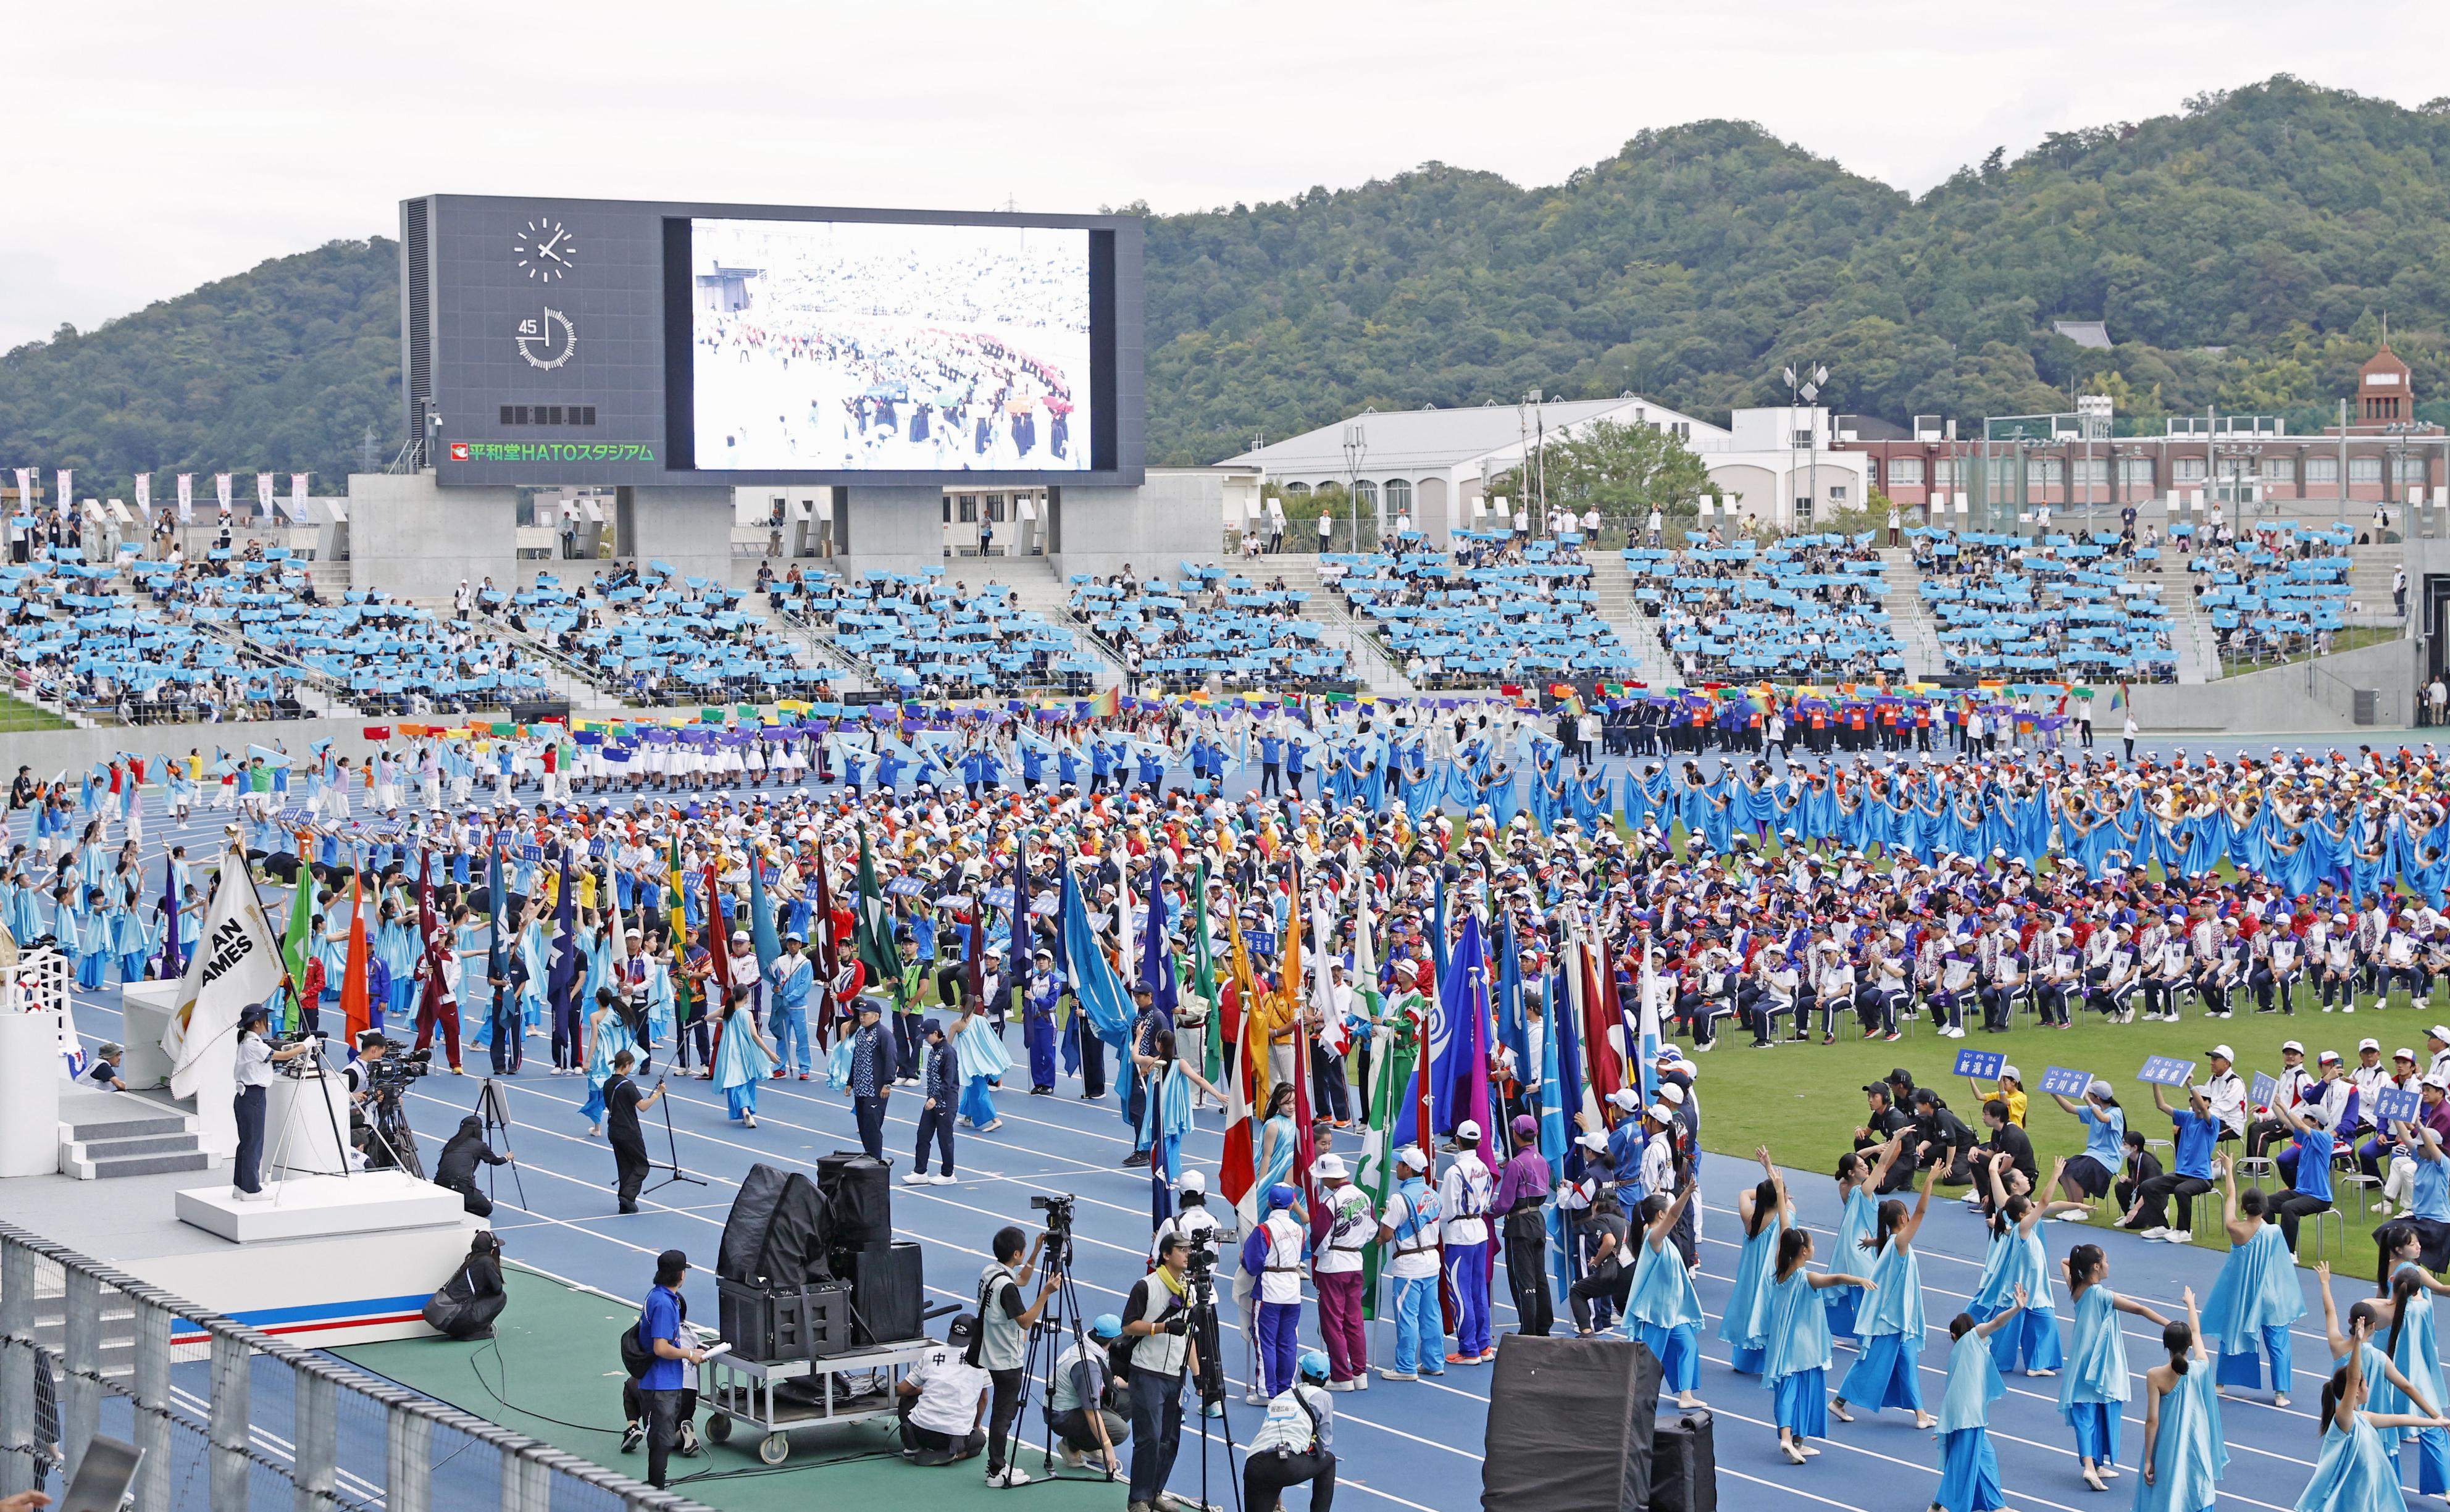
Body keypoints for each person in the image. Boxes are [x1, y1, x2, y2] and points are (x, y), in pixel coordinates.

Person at [2059, 1241, 2170, 1492]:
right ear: (2096, 1266)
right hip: (2098, 1362)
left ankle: (2094, 1465)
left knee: (2089, 1412)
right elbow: (2140, 1309)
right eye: (2105, 1261)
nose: (2109, 1265)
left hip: (2081, 1358)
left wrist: (2077, 1262)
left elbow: (2065, 1263)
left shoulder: (2076, 1288)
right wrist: (2168, 1323)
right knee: (2093, 1411)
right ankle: (2089, 1466)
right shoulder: (2101, 1295)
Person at [1833, 1160, 1936, 1428]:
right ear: (1903, 1219)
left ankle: (1921, 1414)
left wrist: (1871, 1241)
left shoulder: (1892, 1242)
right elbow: (1922, 1211)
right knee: (1869, 1362)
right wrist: (1930, 1181)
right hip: (1890, 1319)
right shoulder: (1899, 1242)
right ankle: (1839, 1401)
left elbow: (1888, 1240)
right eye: (1907, 1214)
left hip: (1896, 1317)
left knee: (1908, 1362)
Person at [1761, 1224, 1873, 1466]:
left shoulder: (1780, 1273)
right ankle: (1795, 1440)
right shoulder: (1806, 1277)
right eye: (1812, 1245)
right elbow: (1835, 1279)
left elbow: (1785, 1230)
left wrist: (1780, 1195)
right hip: (1807, 1346)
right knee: (1811, 1391)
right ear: (1803, 1251)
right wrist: (1859, 1279)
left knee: (1787, 1392)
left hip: (1784, 1345)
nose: (1814, 1248)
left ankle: (1788, 1438)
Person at [2199, 1154, 2307, 1404]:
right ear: (2266, 1209)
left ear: (2243, 1209)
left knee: (2233, 1333)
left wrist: (2228, 1169)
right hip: (2269, 1294)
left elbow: (2230, 1198)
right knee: (2278, 1340)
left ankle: (2220, 1383)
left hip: (2242, 1293)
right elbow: (2281, 1265)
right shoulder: (2274, 1231)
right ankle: (2280, 1394)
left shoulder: (2235, 1230)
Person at [2296, 1347, 2450, 1512]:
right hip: (2353, 1495)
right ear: (2355, 1391)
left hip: (2367, 1490)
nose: (2368, 1388)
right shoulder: (2344, 1420)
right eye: (2366, 1384)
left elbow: (2401, 1419)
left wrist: (2438, 1422)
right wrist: (2357, 1343)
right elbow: (2354, 1379)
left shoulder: (2364, 1418)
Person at [1969, 1156, 2083, 1376]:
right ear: (2022, 1215)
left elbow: (2043, 1206)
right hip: (2018, 1288)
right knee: (2006, 1327)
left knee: (2045, 1323)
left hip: (2035, 1287)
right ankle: (1992, 1357)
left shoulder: (2017, 1229)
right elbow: (2043, 1203)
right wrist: (2055, 1176)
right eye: (2029, 1208)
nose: (2033, 1208)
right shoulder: (2023, 1228)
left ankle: (2037, 1365)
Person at [1930, 1286, 2026, 1512]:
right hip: (1969, 1416)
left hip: (1966, 1415)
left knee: (1984, 1458)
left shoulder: (1960, 1352)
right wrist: (2017, 1308)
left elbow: (1951, 1389)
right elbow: (1997, 1323)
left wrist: (1944, 1422)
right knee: (1963, 1462)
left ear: (1953, 1335)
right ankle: (1940, 1505)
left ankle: (1995, 1505)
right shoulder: (1974, 1338)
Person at [1122, 1232, 1199, 1512]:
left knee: (1170, 1440)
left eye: (1189, 1249)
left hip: (1175, 1375)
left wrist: (1198, 1374)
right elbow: (1128, 1326)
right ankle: (1138, 1499)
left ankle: (1155, 1493)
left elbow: (1188, 1334)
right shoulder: (1146, 1286)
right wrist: (1162, 1328)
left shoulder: (1188, 1288)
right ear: (1166, 1255)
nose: (1188, 1254)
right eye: (1182, 1250)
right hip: (1147, 1371)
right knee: (1150, 1438)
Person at [975, 1226, 1053, 1487]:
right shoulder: (1006, 1289)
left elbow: (1021, 1279)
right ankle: (997, 1470)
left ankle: (997, 1466)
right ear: (1015, 1253)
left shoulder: (991, 1272)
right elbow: (1025, 1322)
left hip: (991, 1351)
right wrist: (1046, 1294)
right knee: (1003, 1415)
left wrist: (1035, 1252)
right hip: (1006, 1359)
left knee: (1001, 1413)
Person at [2133, 1288, 2224, 1512]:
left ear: (2165, 1346)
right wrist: (2191, 1304)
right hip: (2196, 1444)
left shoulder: (2155, 1376)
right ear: (2189, 1345)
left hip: (2166, 1446)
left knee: (2166, 1495)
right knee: (2197, 1491)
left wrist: (2148, 1459)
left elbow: (2152, 1421)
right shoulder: (2201, 1368)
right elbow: (2197, 1331)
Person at [1627, 1180, 1706, 1410]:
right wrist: (1687, 1193)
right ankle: (1634, 1393)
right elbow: (1672, 1215)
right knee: (1650, 1356)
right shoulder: (1654, 1237)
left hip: (1674, 1310)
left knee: (1688, 1346)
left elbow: (1663, 1211)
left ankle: (1686, 1395)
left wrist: (1658, 1192)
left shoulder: (1656, 1234)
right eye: (1667, 1209)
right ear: (1661, 1215)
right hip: (1658, 1310)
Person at [633, 1248, 707, 1489]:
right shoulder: (664, 1303)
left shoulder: (659, 1296)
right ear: (681, 1275)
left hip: (664, 1381)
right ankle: (657, 1490)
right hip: (660, 1383)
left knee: (663, 1440)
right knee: (661, 1441)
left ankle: (657, 1486)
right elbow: (661, 1348)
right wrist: (690, 1354)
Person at [1374, 1145, 1445, 1381]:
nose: (1396, 1167)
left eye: (1400, 1164)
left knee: (1407, 1316)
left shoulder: (1399, 1198)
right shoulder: (1434, 1194)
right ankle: (1434, 1361)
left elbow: (1385, 1235)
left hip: (1409, 1265)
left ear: (1408, 1169)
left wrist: (1380, 1232)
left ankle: (1406, 1367)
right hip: (1431, 1262)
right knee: (1431, 1315)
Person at [231, 1004, 315, 1200]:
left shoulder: (248, 1042)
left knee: (246, 1142)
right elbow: (284, 1056)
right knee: (254, 1143)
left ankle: (241, 1184)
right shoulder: (254, 1045)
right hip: (253, 1096)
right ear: (258, 1023)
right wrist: (306, 1045)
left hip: (247, 1096)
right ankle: (251, 1189)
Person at [1718, 1147, 1791, 1372]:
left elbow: (1744, 1194)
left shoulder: (1750, 1217)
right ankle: (1771, 1363)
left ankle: (1745, 1363)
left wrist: (1768, 1178)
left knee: (1750, 1313)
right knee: (1771, 1318)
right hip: (1773, 1274)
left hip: (1750, 1276)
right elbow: (1786, 1205)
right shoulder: (1786, 1216)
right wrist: (1775, 1183)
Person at [2125, 1081, 2220, 1242]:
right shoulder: (2186, 1118)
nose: (2198, 1102)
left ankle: (2184, 1231)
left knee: (2181, 1191)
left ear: (2209, 1103)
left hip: (2202, 1178)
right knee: (2148, 1186)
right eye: (2194, 1099)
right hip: (2181, 1174)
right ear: (2190, 1102)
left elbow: (2203, 1110)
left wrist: (2190, 1084)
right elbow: (2161, 1105)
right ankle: (2161, 1226)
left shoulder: (2212, 1122)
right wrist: (2155, 1082)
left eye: (2204, 1099)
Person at [1245, 1348, 1336, 1512]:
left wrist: (1277, 1485)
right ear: (1328, 1378)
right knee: (1328, 1461)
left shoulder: (1280, 1398)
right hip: (1286, 1464)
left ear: (1302, 1374)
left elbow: (1272, 1438)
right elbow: (1323, 1444)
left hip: (1254, 1465)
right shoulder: (1323, 1397)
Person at [1244, 1183, 1310, 1398]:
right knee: (1289, 1341)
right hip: (1292, 1290)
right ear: (1291, 1205)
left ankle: (1266, 1389)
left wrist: (1243, 1259)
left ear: (1270, 1204)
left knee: (1266, 1342)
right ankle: (1286, 1386)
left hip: (1270, 1290)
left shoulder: (1264, 1230)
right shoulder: (1300, 1230)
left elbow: (1253, 1265)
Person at [1311, 1153, 1371, 1389]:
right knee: (1354, 1320)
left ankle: (1341, 1375)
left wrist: (1323, 1254)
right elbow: (1371, 1228)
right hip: (1355, 1261)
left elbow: (1318, 1238)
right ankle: (1360, 1373)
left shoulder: (1331, 1203)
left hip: (1334, 1265)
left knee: (1333, 1321)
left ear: (1329, 1178)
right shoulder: (1363, 1197)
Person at [898, 1314, 990, 1465]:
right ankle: (952, 1455)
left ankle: (914, 1443)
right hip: (953, 1436)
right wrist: (975, 1425)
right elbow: (984, 1399)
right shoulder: (981, 1359)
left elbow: (902, 1389)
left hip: (922, 1431)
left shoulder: (931, 1354)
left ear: (950, 1330)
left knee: (907, 1398)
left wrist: (925, 1389)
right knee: (980, 1440)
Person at [1492, 1113, 1554, 1339]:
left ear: (1516, 1135)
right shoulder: (1543, 1161)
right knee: (1540, 1277)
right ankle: (1543, 1325)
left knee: (1523, 1280)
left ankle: (1528, 1330)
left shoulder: (1516, 1164)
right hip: (1538, 1221)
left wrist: (1488, 1210)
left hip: (1519, 1225)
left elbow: (1504, 1203)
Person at [1439, 1121, 1495, 1364]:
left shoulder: (1454, 1172)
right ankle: (1484, 1345)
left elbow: (1446, 1209)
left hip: (1460, 1234)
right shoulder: (1484, 1167)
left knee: (1461, 1294)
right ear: (1480, 1142)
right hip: (1480, 1231)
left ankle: (1469, 1349)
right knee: (1479, 1290)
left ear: (1457, 1141)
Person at [1048, 1314, 1129, 1476]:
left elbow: (1104, 1381)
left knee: (1129, 1400)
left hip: (1074, 1405)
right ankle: (1071, 1445)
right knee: (1121, 1431)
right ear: (1112, 1339)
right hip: (1063, 1415)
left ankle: (1090, 1446)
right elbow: (1091, 1411)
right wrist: (1107, 1446)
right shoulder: (1087, 1365)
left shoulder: (1089, 1344)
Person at [2051, 1077, 2125, 1214]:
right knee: (2064, 1168)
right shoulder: (2095, 1109)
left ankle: (2080, 1210)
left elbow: (2103, 1118)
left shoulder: (2116, 1112)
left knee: (2075, 1173)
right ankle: (2072, 1207)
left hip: (2107, 1159)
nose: (2088, 1095)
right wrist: (2055, 1094)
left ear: (2096, 1097)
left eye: (2090, 1094)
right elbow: (2070, 1108)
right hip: (2091, 1154)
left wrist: (2087, 1100)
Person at [604, 1050, 664, 1215]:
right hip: (629, 1131)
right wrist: (658, 1093)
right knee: (641, 1165)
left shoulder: (608, 1084)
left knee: (624, 1166)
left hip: (614, 1130)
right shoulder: (628, 1085)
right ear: (626, 1065)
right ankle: (627, 1196)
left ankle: (625, 1203)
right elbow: (643, 1106)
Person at [420, 1230, 508, 1341]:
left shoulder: (470, 1260)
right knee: (501, 1298)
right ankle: (475, 1331)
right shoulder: (486, 1261)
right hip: (456, 1318)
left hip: (448, 1319)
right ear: (492, 1249)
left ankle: (463, 1330)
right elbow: (497, 1289)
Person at [844, 997, 897, 1161]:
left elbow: (891, 1059)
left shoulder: (884, 1035)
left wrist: (887, 1084)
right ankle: (869, 1156)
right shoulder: (860, 1034)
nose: (861, 1017)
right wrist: (850, 1082)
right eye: (860, 1014)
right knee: (863, 1126)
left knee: (872, 1127)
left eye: (865, 1015)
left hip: (875, 1090)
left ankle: (876, 1160)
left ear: (876, 1016)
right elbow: (856, 1059)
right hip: (860, 1089)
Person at [906, 1016, 958, 1184]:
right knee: (923, 1135)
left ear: (936, 1033)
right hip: (932, 1101)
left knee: (945, 1138)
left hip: (945, 1102)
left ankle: (948, 1174)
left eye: (928, 1037)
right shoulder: (934, 1050)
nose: (926, 1040)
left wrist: (936, 1098)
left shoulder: (948, 1052)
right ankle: (920, 1171)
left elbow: (948, 1080)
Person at [433, 1114, 508, 1217]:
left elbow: (440, 1164)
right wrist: (507, 1158)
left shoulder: (453, 1142)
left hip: (440, 1183)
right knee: (487, 1209)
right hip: (460, 1186)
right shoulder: (479, 1145)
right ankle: (460, 1207)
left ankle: (454, 1204)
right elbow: (496, 1161)